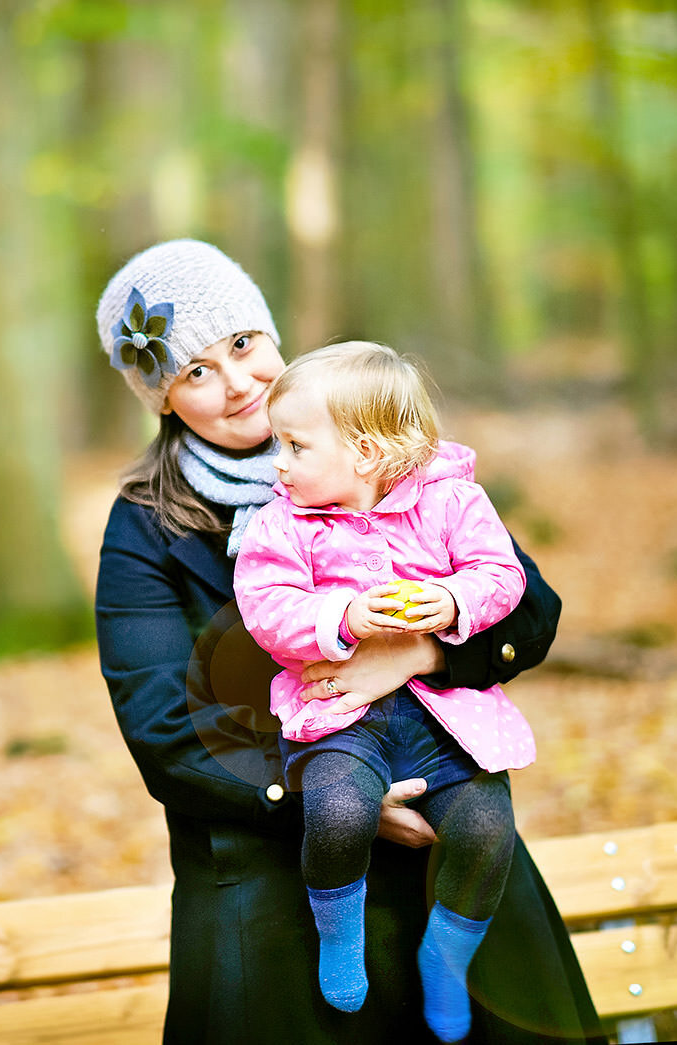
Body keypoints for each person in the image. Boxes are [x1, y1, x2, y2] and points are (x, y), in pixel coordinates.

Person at [92, 239, 602, 1044]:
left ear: (270, 335)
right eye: (194, 371)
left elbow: (527, 608)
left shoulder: (385, 449)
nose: (237, 383)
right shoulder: (146, 527)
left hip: (445, 821)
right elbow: (163, 726)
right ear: (160, 398)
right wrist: (319, 798)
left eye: (242, 344)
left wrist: (425, 653)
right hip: (268, 859)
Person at [232, 341, 536, 1041]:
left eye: (296, 445)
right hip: (340, 713)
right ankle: (340, 936)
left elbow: (502, 572)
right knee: (337, 813)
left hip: (444, 715)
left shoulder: (453, 500)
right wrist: (337, 617)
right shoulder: (282, 523)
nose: (277, 462)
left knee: (489, 832)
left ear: (365, 452)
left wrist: (455, 600)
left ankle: (448, 957)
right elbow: (266, 605)